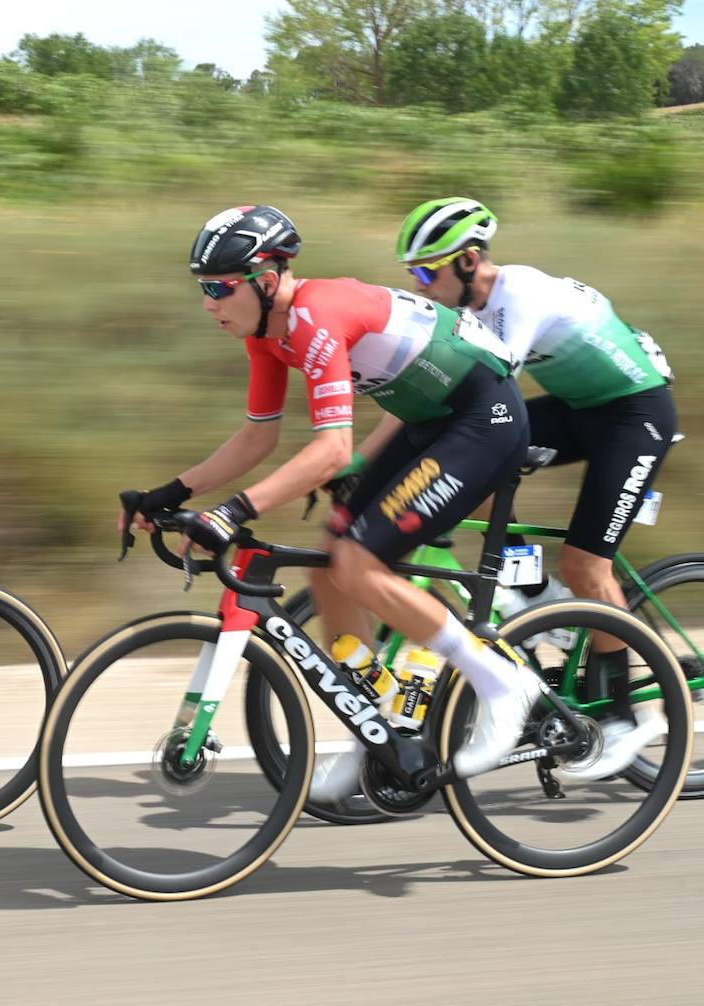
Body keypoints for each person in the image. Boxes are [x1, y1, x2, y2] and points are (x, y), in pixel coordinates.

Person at [125, 204, 539, 799]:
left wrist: (233, 512)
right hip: (426, 421)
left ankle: (501, 682)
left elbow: (332, 449)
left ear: (267, 281)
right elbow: (257, 438)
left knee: (356, 563)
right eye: (202, 289)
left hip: (484, 420)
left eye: (219, 287)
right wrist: (171, 492)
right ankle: (381, 725)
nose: (208, 303)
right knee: (328, 570)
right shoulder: (268, 337)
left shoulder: (317, 315)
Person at [397, 197, 673, 777]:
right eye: (412, 275)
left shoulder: (515, 295)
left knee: (586, 564)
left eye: (428, 271)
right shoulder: (478, 307)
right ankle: (534, 600)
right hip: (582, 408)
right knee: (478, 460)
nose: (421, 286)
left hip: (634, 417)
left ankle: (628, 716)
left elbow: (485, 385)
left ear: (470, 260)